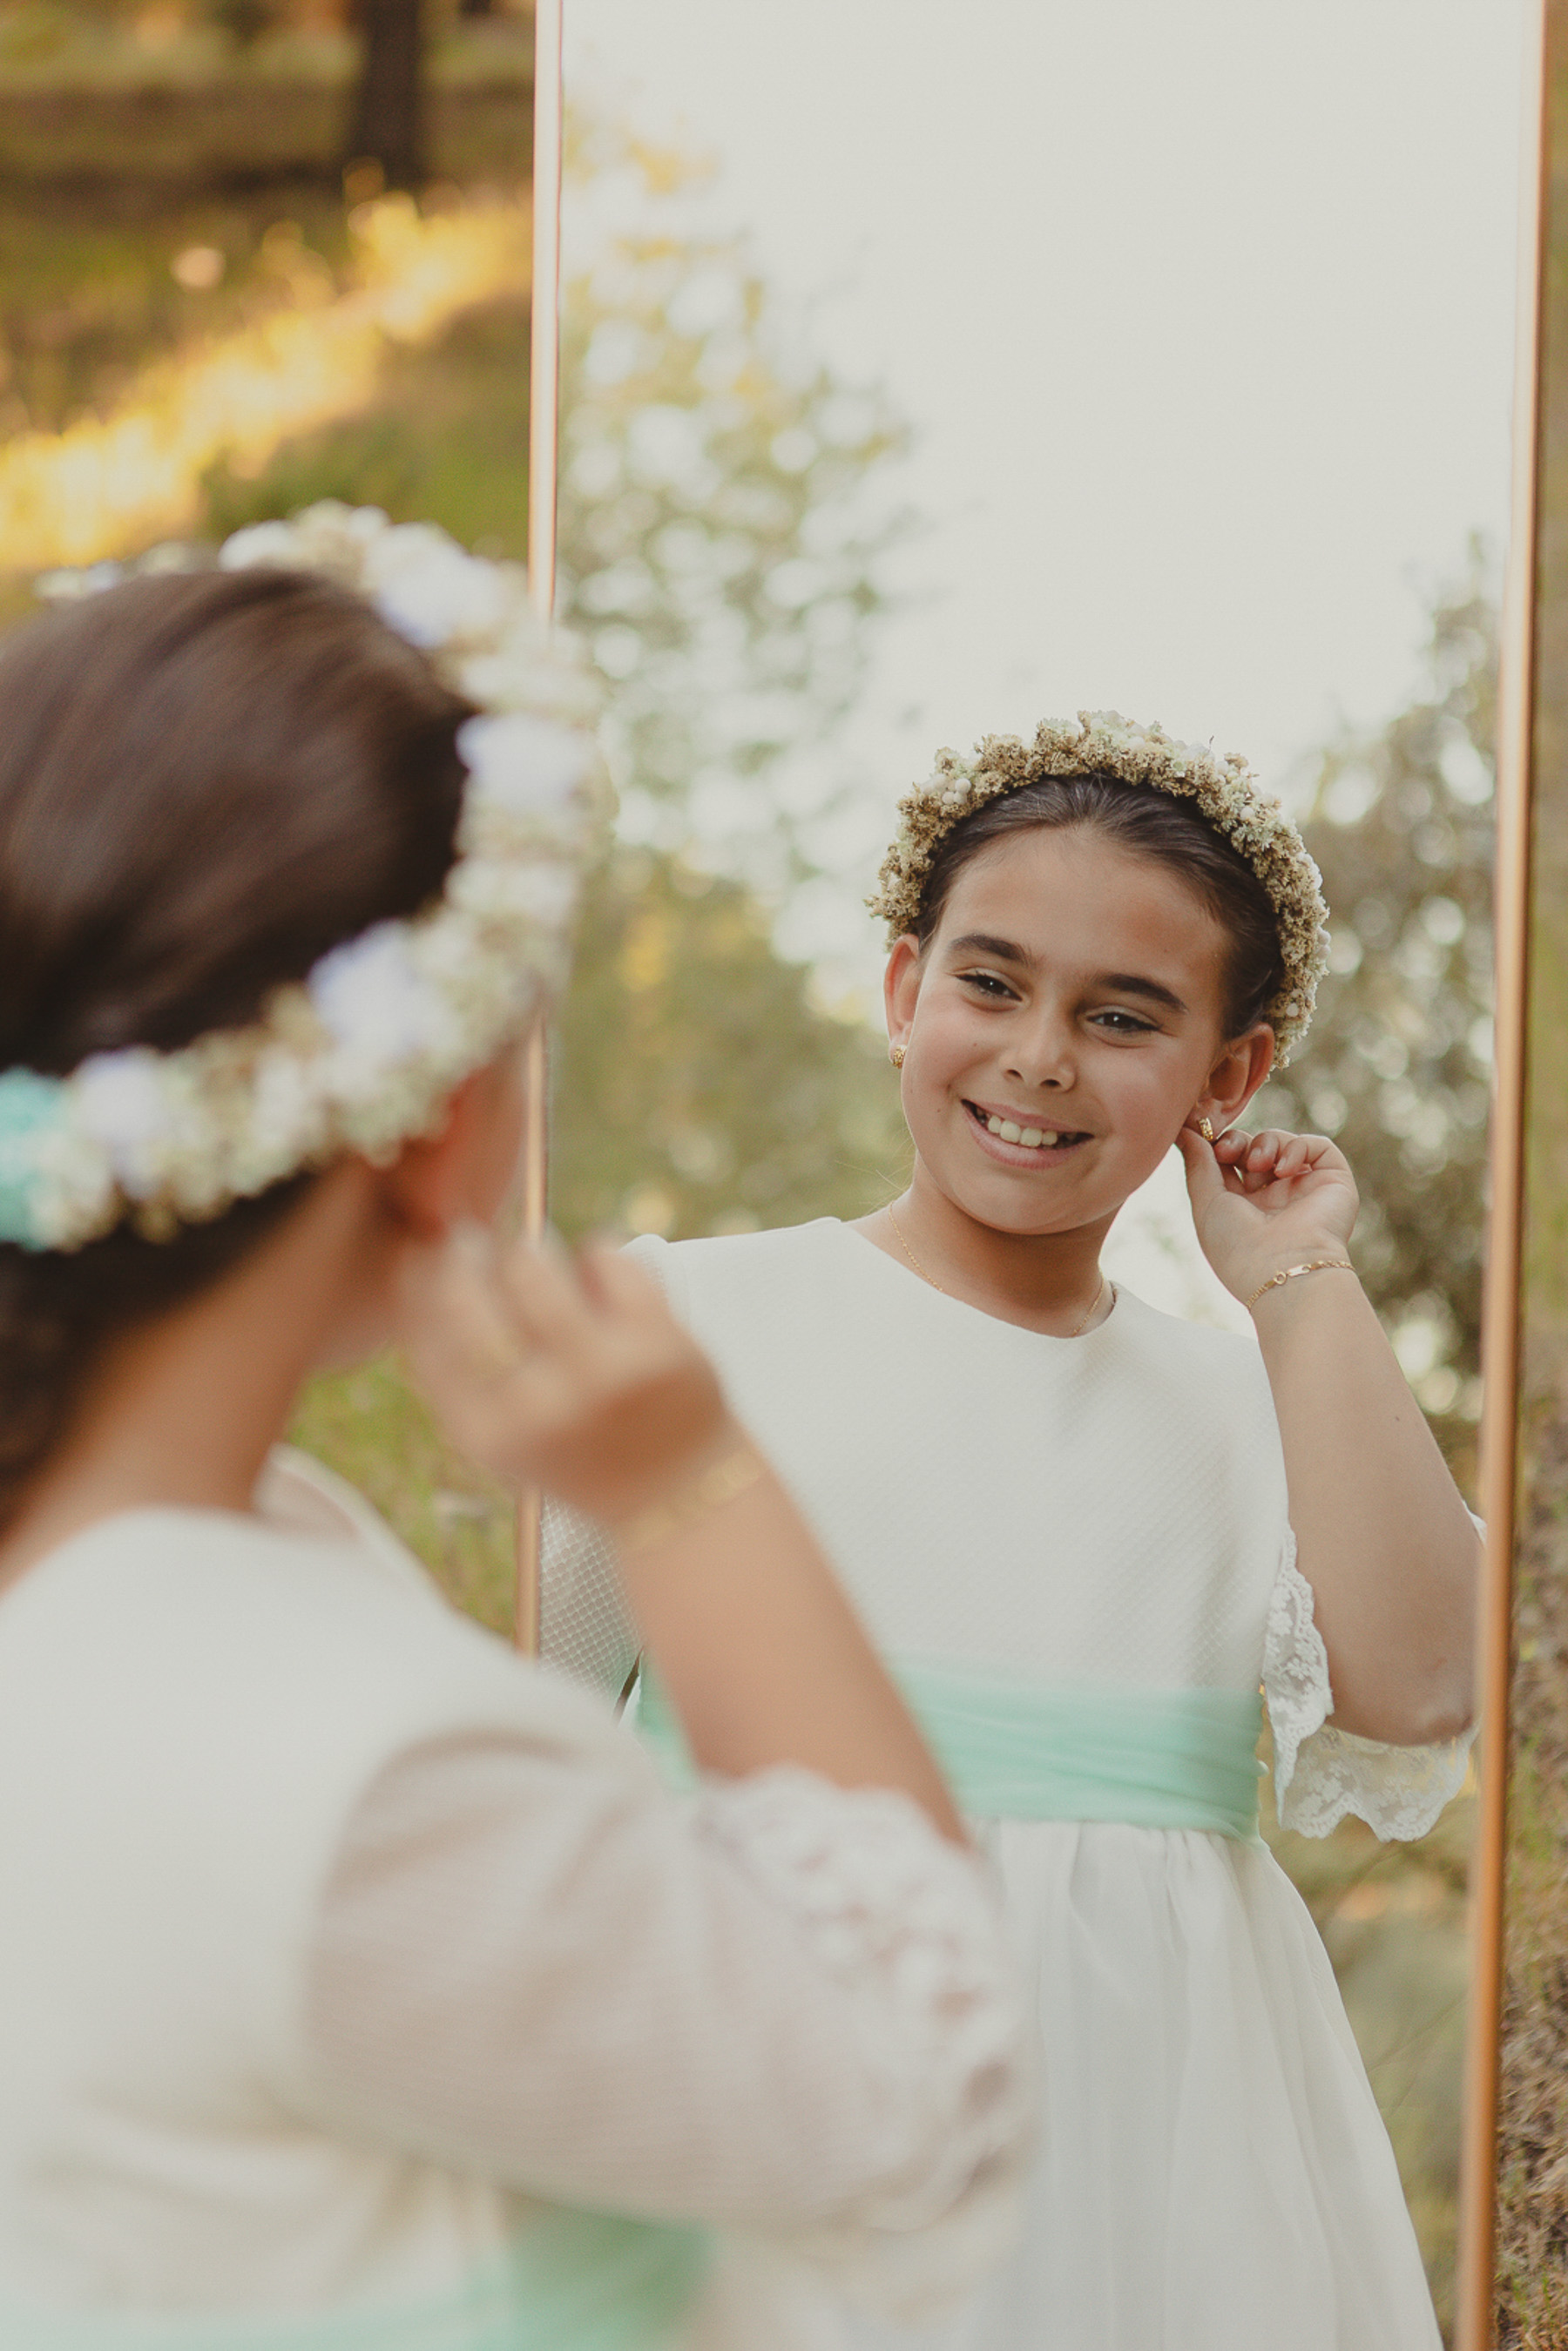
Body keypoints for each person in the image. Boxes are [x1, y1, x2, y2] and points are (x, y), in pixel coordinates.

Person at [0, 509, 1033, 2351]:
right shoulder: (355, 1766)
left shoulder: (186, 1569)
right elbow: (913, 2086)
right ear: (433, 1121)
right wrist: (687, 1486)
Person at [545, 713, 1481, 2350]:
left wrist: (1299, 1281)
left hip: (1151, 2135)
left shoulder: (1259, 1403)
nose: (1042, 1055)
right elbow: (533, 1709)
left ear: (1229, 1075)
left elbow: (1423, 1689)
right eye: (992, 984)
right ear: (905, 990)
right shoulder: (686, 1320)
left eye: (1124, 1016)